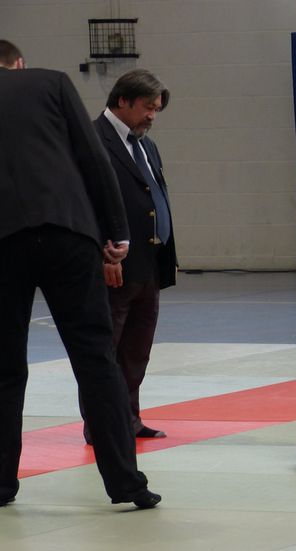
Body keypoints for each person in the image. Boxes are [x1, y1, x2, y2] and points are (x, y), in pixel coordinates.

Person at [0, 41, 159, 510]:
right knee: (95, 359)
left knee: (5, 369)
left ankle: (2, 484)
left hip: (3, 240)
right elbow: (93, 156)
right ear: (19, 63)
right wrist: (116, 232)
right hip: (67, 231)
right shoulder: (50, 81)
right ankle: (127, 484)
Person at [84, 69, 177, 444]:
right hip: (113, 266)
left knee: (136, 351)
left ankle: (129, 419)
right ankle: (100, 426)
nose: (152, 116)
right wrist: (103, 254)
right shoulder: (92, 140)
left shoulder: (145, 144)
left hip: (148, 266)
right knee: (106, 351)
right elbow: (85, 202)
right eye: (147, 108)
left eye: (156, 109)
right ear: (122, 100)